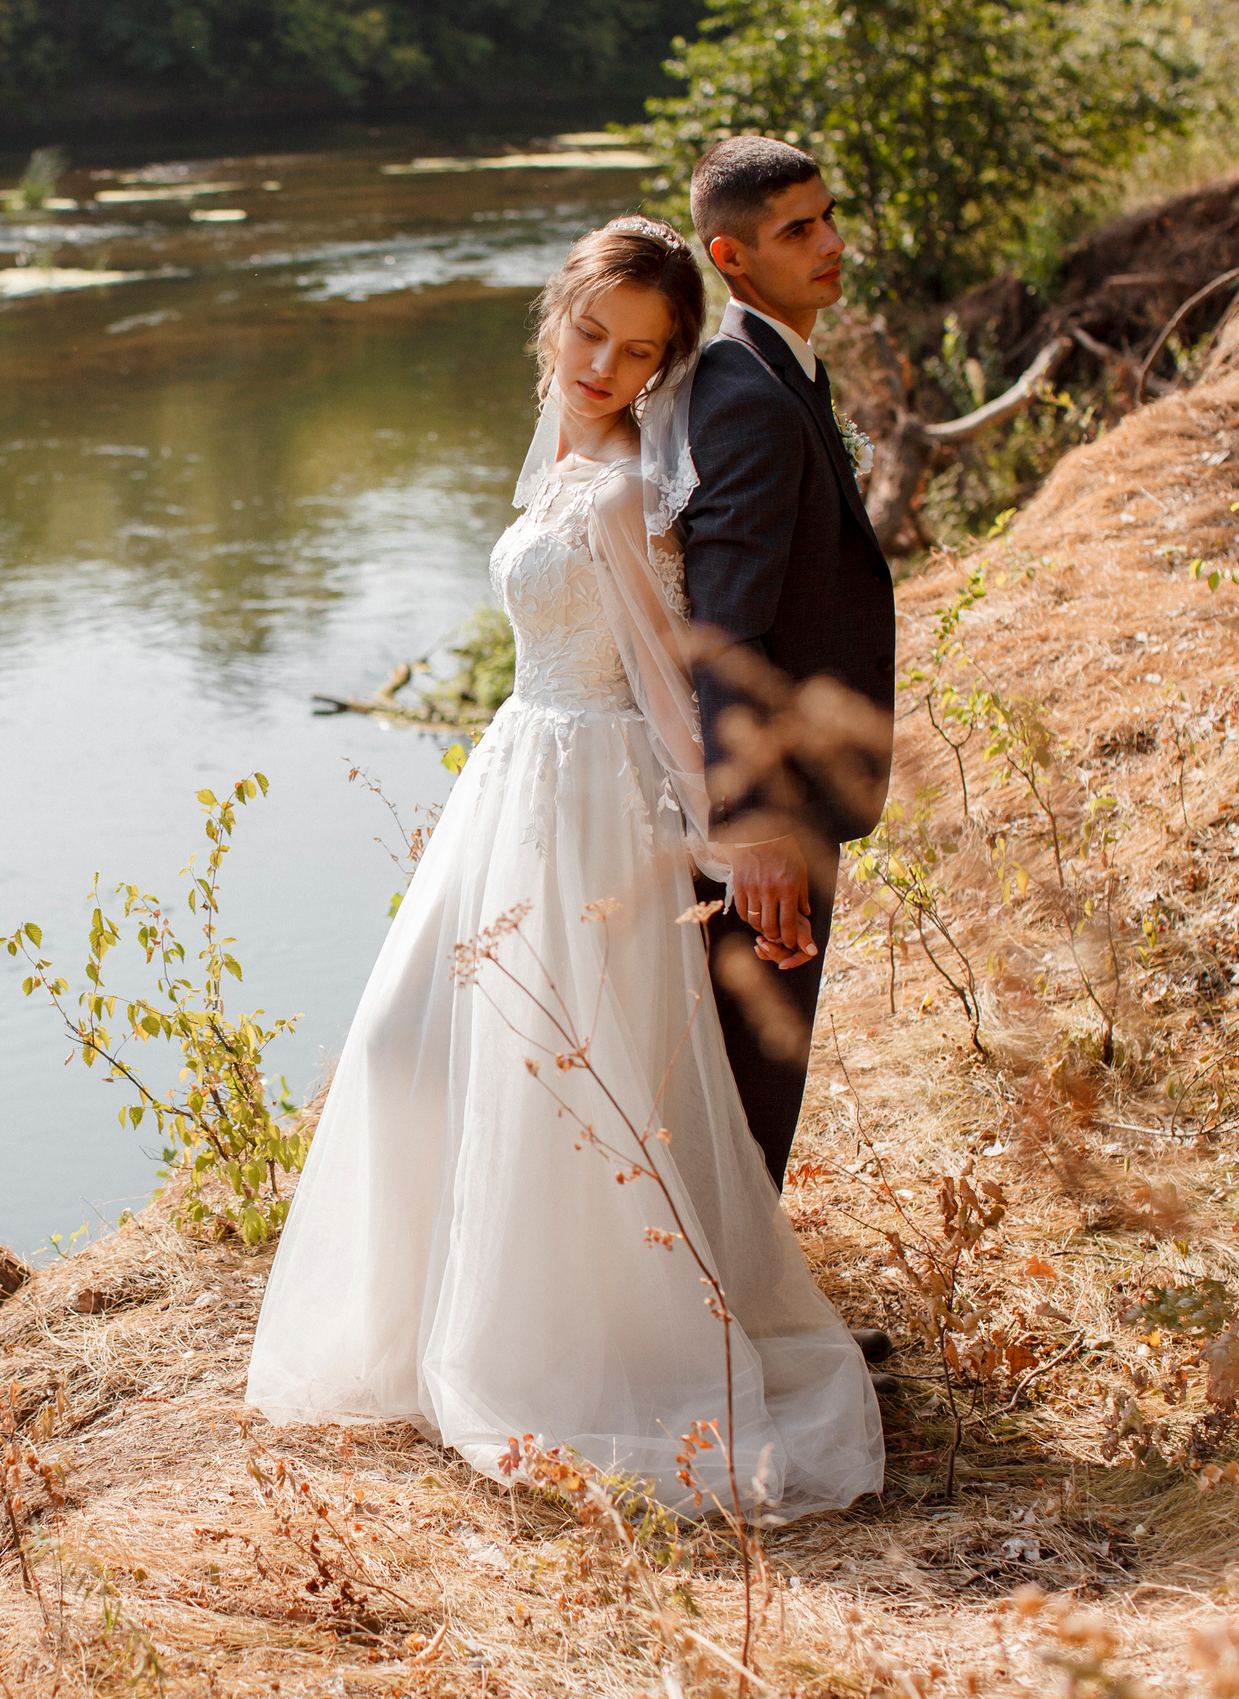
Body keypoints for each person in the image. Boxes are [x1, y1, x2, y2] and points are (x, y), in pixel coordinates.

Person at [244, 213, 884, 1522]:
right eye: (591, 332)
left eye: (638, 351)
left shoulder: (626, 484)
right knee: (412, 1050)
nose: (603, 363)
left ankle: (578, 1346)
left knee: (555, 1075)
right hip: (515, 777)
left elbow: (665, 680)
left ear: (664, 364)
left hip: (594, 796)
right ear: (559, 317)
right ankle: (434, 1316)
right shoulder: (560, 444)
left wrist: (730, 828)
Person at [679, 137, 899, 1197]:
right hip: (771, 801)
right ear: (731, 256)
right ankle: (729, 1336)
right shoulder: (748, 398)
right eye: (795, 232)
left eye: (826, 216)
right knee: (749, 1078)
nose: (830, 244)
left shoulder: (781, 370)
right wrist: (757, 823)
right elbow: (723, 627)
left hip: (802, 780)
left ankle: (732, 1314)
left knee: (758, 1073)